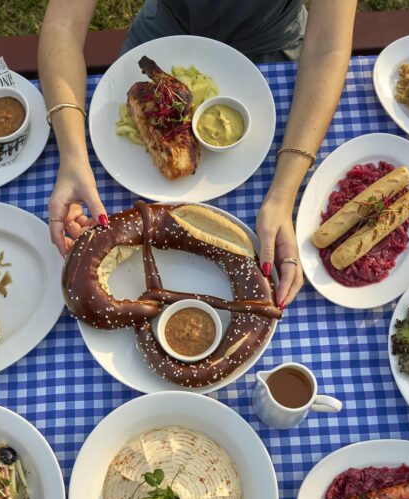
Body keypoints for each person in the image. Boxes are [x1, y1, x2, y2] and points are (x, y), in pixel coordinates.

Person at [39, 0, 357, 310]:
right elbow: (62, 24)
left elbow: (328, 46)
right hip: (161, 38)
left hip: (275, 56)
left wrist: (283, 197)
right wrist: (72, 157)